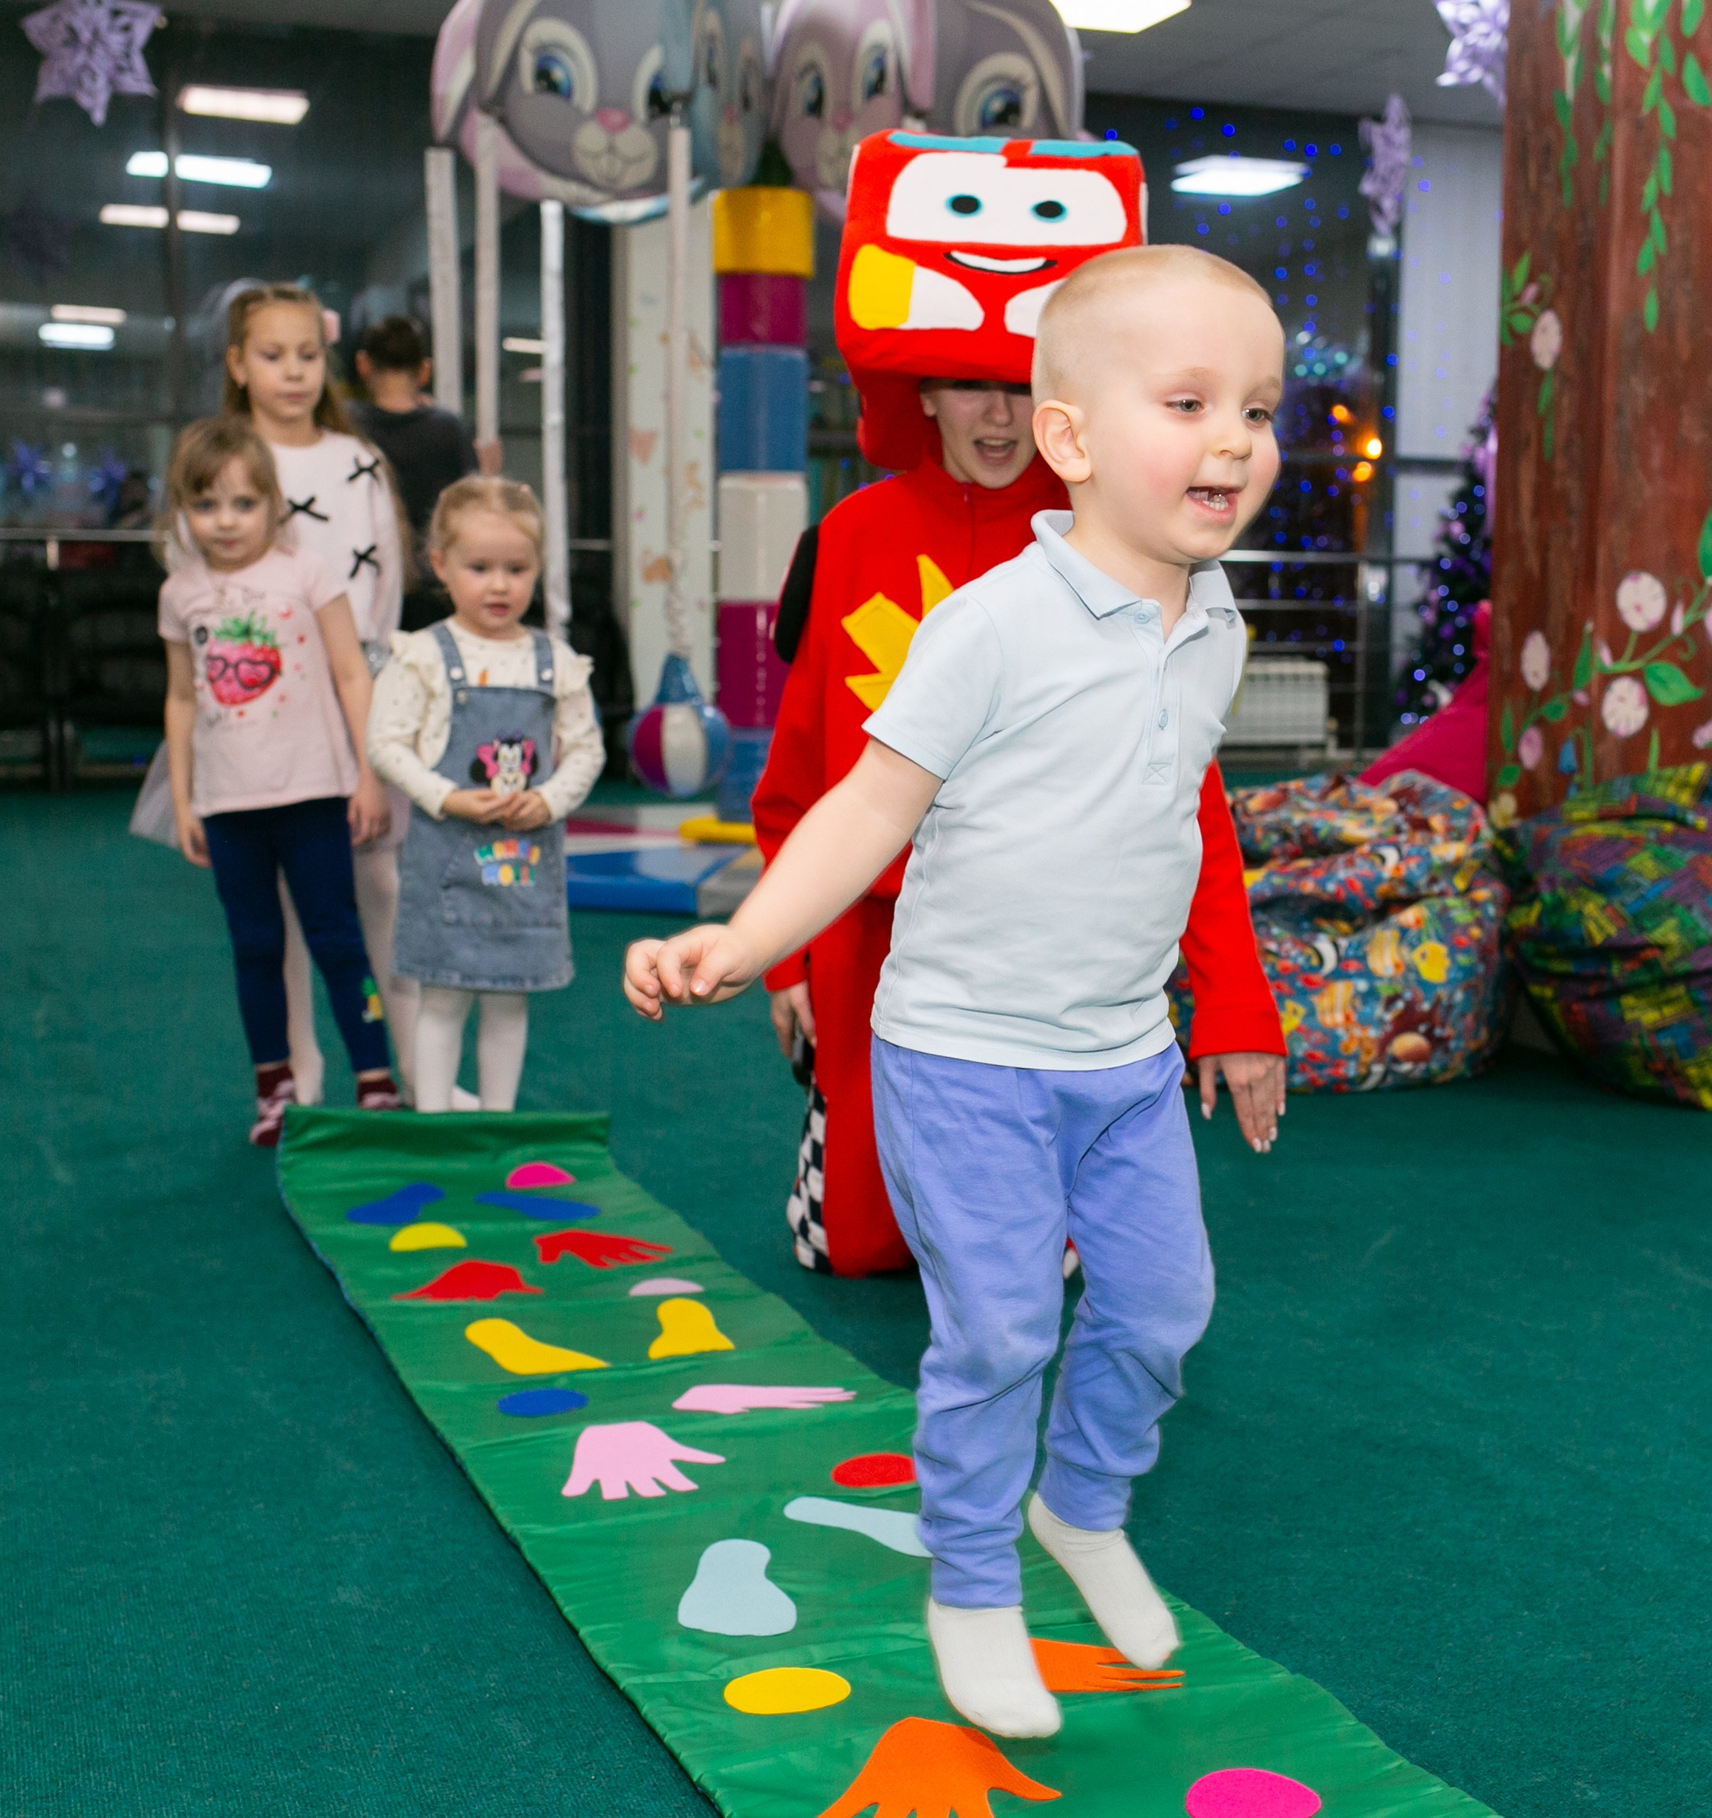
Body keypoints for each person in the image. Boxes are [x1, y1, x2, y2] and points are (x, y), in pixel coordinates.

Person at [627, 246, 1285, 1738]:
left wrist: (1226, 1010)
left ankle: (1082, 1504)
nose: (1237, 437)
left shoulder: (1214, 622)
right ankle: (974, 1581)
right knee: (996, 1329)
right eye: (1189, 401)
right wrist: (750, 940)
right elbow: (865, 809)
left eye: (1257, 404)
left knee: (1165, 1306)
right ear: (1071, 439)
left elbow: (1183, 822)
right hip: (963, 1054)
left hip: (1120, 1055)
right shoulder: (991, 622)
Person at [754, 147, 1285, 1280]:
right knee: (854, 1249)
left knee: (1055, 1260)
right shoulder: (847, 538)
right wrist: (783, 956)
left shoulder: (1127, 548)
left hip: (1059, 957)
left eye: (1018, 388)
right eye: (968, 383)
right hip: (878, 928)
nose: (995, 416)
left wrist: (1235, 1003)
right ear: (921, 390)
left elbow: (1185, 808)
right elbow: (809, 771)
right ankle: (846, 1134)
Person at [155, 417, 402, 1143]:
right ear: (183, 513)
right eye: (206, 505)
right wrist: (182, 797)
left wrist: (369, 775)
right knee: (257, 946)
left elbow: (352, 673)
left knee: (337, 938)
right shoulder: (181, 593)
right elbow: (179, 698)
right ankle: (274, 1085)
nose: (225, 522)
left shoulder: (306, 574)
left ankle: (375, 1077)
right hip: (230, 805)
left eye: (242, 503)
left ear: (272, 505)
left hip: (315, 795)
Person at [220, 284, 425, 1106]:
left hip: (358, 695)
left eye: (308, 355)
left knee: (379, 883)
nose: (293, 373)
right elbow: (198, 574)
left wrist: (370, 701)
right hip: (262, 712)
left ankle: (414, 1065)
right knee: (278, 902)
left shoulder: (358, 462)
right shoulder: (226, 463)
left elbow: (386, 583)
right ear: (237, 365)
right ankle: (297, 1071)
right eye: (272, 356)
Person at [367, 477, 601, 1112]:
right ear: (441, 566)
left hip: (523, 877)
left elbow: (586, 749)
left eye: (516, 568)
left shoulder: (556, 662)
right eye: (480, 567)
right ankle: (435, 1118)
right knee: (442, 999)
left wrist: (549, 799)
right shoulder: (422, 656)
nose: (499, 585)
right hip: (447, 868)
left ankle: (497, 1122)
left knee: (509, 997)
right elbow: (386, 744)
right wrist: (446, 796)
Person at [350, 315, 480, 556]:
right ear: (424, 370)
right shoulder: (449, 429)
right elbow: (470, 507)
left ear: (363, 364)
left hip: (363, 562)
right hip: (433, 569)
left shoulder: (346, 425)